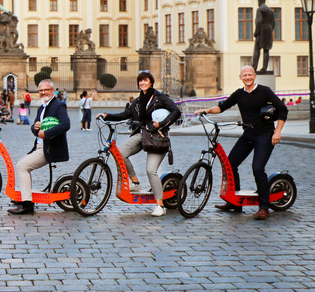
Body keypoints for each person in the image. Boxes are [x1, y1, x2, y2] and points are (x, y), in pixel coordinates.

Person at [195, 66, 287, 220]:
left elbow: (283, 109)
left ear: (255, 76)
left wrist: (277, 131)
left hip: (265, 135)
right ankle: (234, 202)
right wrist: (207, 111)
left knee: (258, 168)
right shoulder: (239, 94)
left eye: (250, 75)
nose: (247, 77)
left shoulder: (265, 91)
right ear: (240, 77)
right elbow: (222, 107)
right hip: (248, 134)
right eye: (245, 75)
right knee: (230, 164)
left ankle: (264, 208)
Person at [101, 71, 180, 217]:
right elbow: (124, 115)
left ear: (151, 82)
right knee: (120, 153)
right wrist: (107, 115)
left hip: (157, 137)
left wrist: (161, 124)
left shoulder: (160, 97)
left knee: (151, 171)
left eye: (146, 80)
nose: (143, 83)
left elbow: (176, 111)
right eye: (140, 81)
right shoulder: (137, 102)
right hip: (141, 134)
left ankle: (160, 206)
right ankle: (135, 183)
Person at [8, 79, 71, 215]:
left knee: (22, 167)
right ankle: (25, 196)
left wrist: (46, 133)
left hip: (49, 148)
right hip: (39, 146)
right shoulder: (42, 107)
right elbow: (34, 127)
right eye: (41, 90)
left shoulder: (59, 105)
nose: (43, 92)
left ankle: (27, 204)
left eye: (46, 90)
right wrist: (36, 128)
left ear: (52, 91)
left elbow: (66, 124)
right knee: (21, 164)